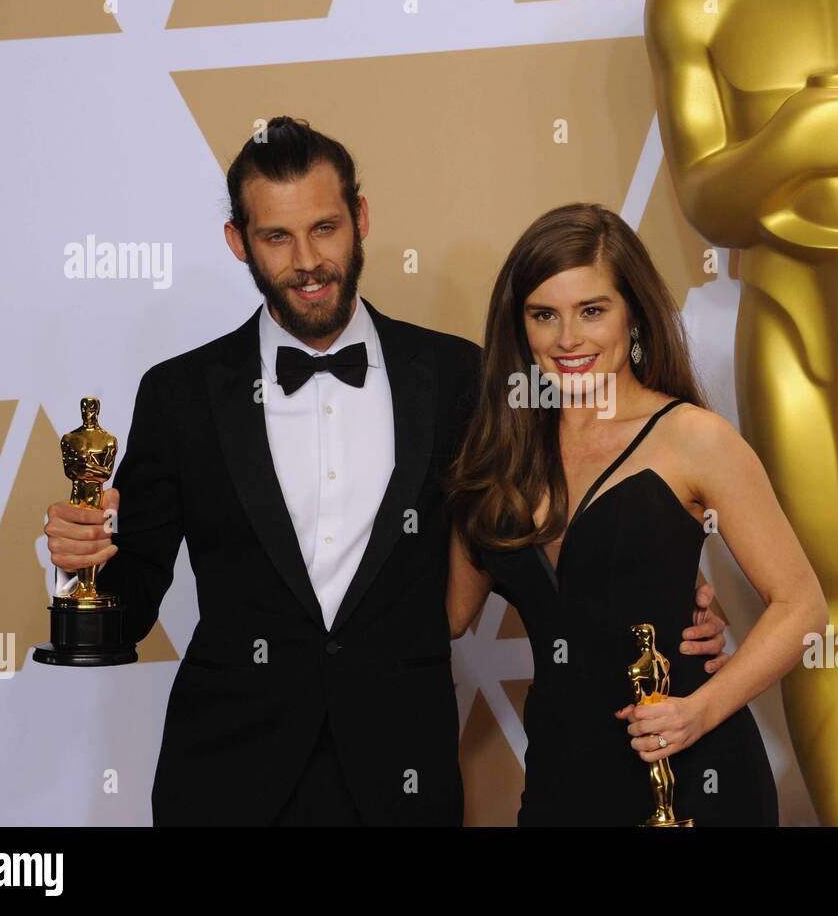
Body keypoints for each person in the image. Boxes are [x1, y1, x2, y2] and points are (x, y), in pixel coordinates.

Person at [41, 117, 730, 826]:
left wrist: (677, 591)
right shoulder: (180, 394)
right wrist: (78, 570)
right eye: (276, 236)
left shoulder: (459, 377)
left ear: (360, 219)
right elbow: (125, 609)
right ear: (238, 243)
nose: (307, 260)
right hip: (226, 779)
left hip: (403, 778)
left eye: (325, 227)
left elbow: (567, 500)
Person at [446, 203, 829, 826]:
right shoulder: (497, 455)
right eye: (545, 315)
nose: (568, 339)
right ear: (521, 328)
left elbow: (802, 606)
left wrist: (697, 711)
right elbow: (451, 615)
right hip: (561, 782)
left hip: (690, 772)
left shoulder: (692, 437)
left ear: (633, 315)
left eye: (592, 311)